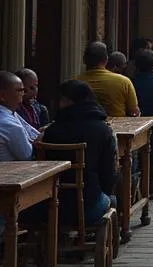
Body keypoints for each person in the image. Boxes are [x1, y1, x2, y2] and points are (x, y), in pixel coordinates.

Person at [42, 80, 118, 225]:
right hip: (90, 204)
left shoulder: (52, 131)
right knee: (113, 199)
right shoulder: (102, 129)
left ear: (67, 101)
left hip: (51, 206)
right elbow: (108, 172)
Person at [80, 41, 140, 118]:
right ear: (106, 60)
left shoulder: (76, 82)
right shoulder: (123, 81)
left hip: (83, 128)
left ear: (84, 60)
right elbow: (134, 111)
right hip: (119, 128)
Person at [0, 71, 39, 161]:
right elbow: (28, 155)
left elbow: (33, 133)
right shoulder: (8, 123)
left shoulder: (11, 113)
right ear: (2, 95)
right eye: (20, 90)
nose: (23, 94)